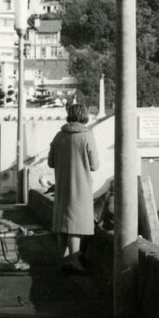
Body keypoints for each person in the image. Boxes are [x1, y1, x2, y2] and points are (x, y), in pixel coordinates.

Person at [47, 103, 100, 274]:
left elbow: (50, 162)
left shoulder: (59, 136)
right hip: (81, 186)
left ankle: (64, 260)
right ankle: (75, 260)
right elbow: (94, 165)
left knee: (62, 225)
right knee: (76, 225)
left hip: (62, 185)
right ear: (84, 116)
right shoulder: (87, 136)